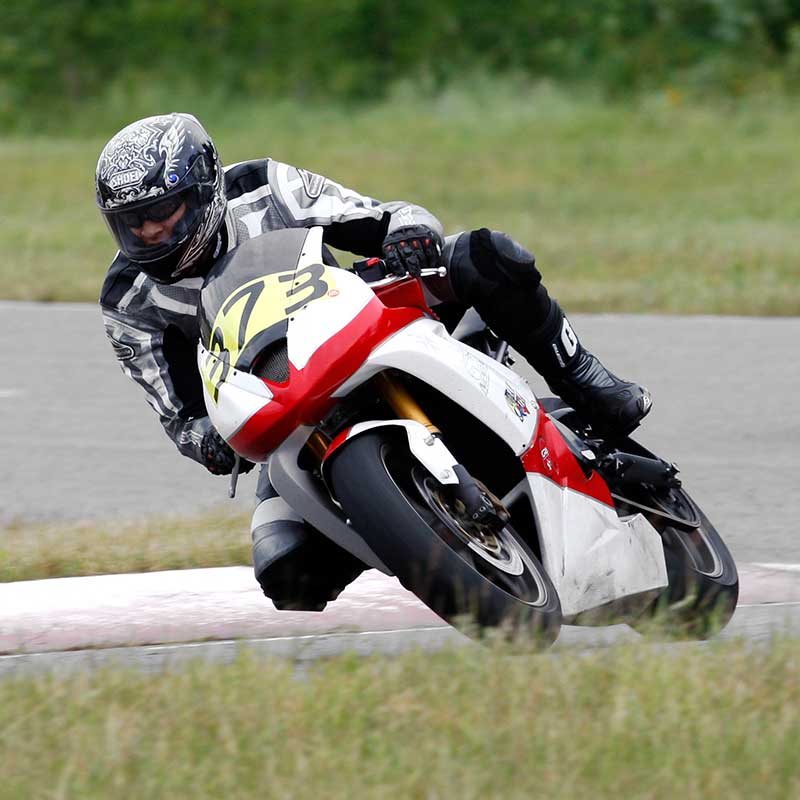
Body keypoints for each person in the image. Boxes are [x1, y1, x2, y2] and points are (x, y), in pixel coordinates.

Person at [97, 113, 651, 611]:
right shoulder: (127, 299)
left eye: (163, 212)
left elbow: (381, 216)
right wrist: (206, 442)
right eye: (133, 223)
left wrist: (407, 234)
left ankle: (587, 380)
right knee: (288, 574)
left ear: (205, 188)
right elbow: (179, 416)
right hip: (283, 406)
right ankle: (401, 522)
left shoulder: (261, 186)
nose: (151, 232)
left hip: (355, 315)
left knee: (488, 255)